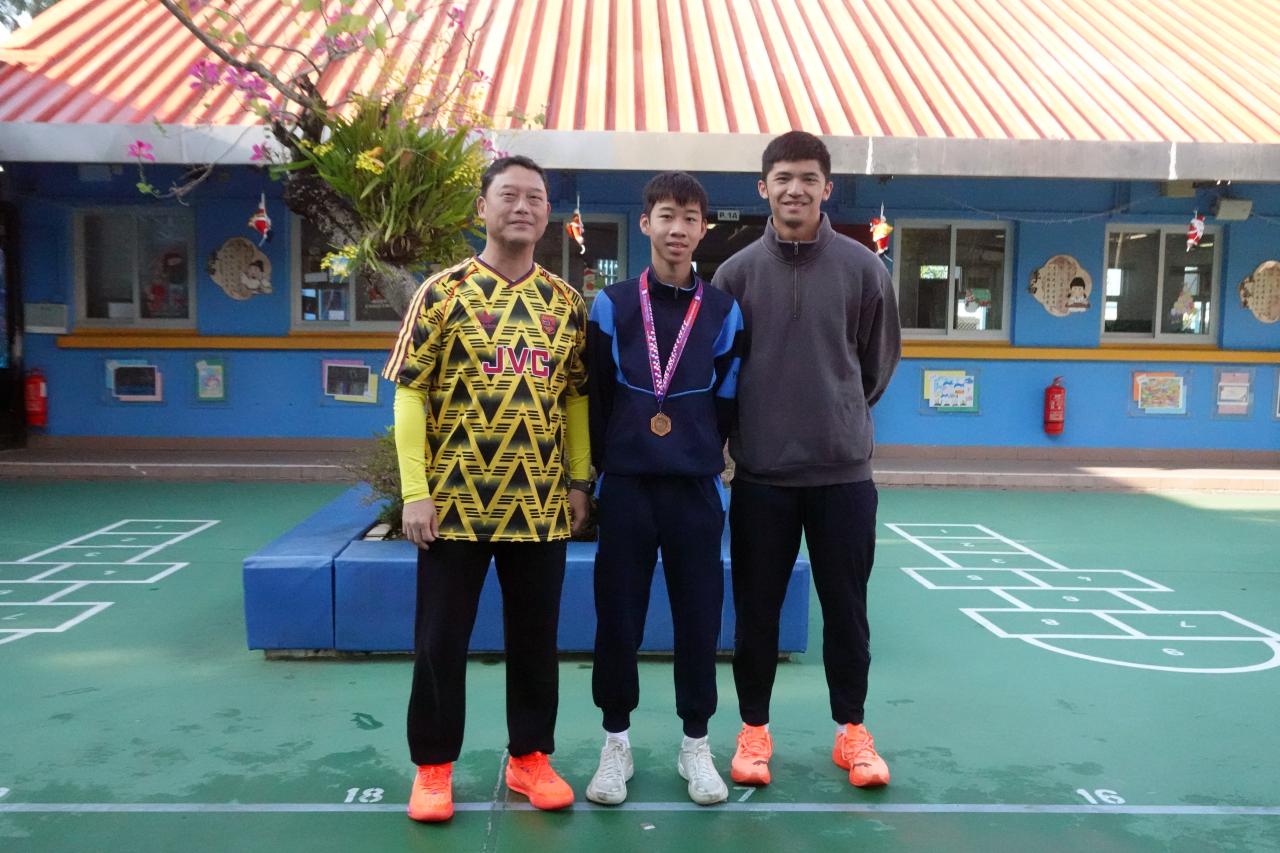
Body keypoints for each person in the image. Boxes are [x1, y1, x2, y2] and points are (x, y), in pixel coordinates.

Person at [381, 155, 593, 823]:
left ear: (547, 214)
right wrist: (415, 490)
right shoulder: (441, 293)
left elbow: (576, 399)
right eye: (508, 195)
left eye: (535, 197)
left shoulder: (565, 302)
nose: (522, 206)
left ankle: (529, 758)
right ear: (482, 208)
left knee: (536, 641)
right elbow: (409, 393)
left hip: (539, 504)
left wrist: (579, 479)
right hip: (454, 505)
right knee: (440, 641)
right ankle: (433, 767)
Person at [711, 131, 902, 791]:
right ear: (763, 187)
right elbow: (723, 372)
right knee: (756, 613)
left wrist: (837, 412)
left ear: (827, 187)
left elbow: (875, 366)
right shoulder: (735, 275)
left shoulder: (864, 270)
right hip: (761, 478)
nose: (795, 189)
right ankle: (754, 731)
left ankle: (852, 731)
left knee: (847, 611)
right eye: (783, 177)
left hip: (842, 478)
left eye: (808, 178)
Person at [583, 172, 744, 807]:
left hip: (695, 490)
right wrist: (598, 472)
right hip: (625, 486)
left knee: (699, 618)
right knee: (616, 618)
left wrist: (697, 450)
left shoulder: (724, 311)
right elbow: (595, 396)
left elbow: (728, 398)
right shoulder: (611, 304)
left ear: (704, 229)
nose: (678, 229)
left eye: (690, 218)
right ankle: (615, 742)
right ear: (646, 222)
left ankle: (695, 744)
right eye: (667, 216)